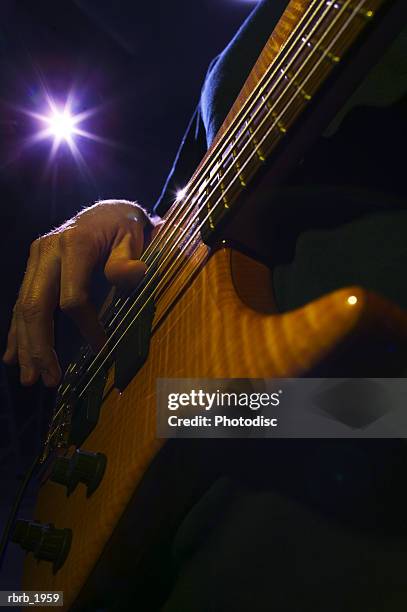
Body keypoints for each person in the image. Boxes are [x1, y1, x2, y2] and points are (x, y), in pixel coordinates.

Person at [3, 1, 407, 610]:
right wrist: (126, 216)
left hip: (355, 460)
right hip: (173, 475)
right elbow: (186, 221)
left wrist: (206, 412)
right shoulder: (255, 37)